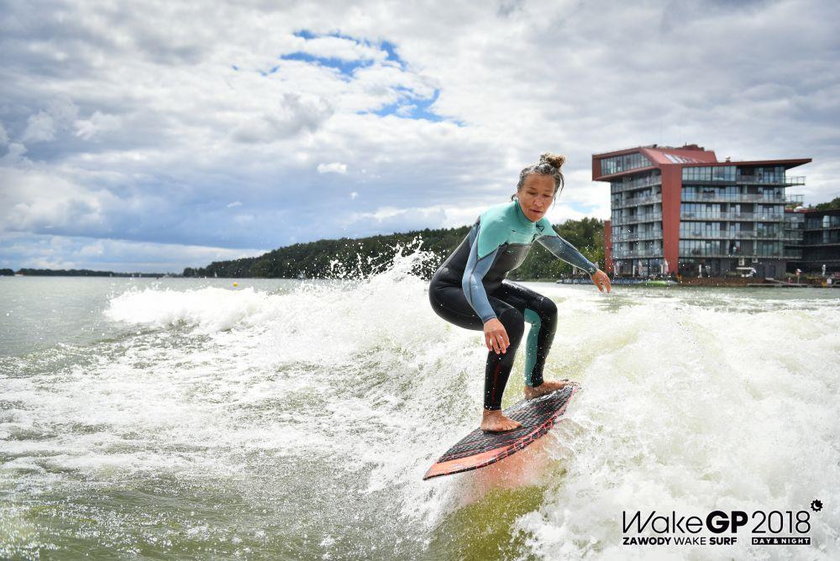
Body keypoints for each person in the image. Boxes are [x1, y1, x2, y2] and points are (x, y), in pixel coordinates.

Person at [428, 153, 611, 432]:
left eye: (546, 196)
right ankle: (491, 413)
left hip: (488, 288)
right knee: (510, 320)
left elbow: (560, 247)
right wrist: (489, 318)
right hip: (450, 291)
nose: (538, 202)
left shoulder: (538, 223)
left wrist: (591, 269)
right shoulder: (498, 221)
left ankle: (534, 384)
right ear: (518, 192)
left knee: (545, 309)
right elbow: (470, 277)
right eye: (531, 193)